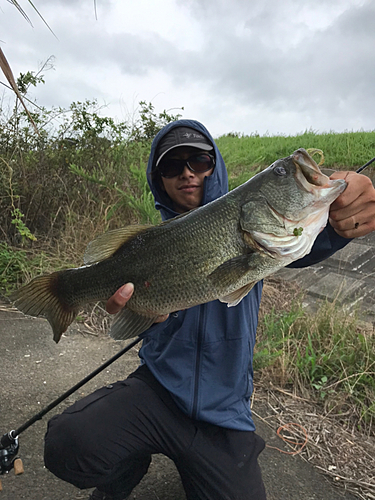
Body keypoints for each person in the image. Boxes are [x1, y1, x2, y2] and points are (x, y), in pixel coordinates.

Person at [44, 120, 375, 500]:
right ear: (158, 178)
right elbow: (139, 324)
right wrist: (143, 315)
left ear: (215, 165)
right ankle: (126, 465)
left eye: (199, 161)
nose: (187, 172)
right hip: (158, 391)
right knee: (68, 444)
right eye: (172, 166)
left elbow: (308, 238)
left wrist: (343, 213)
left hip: (224, 412)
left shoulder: (260, 237)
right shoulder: (149, 245)